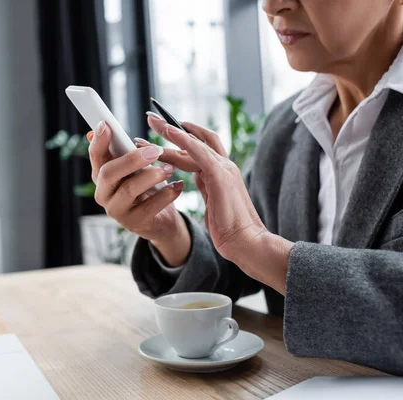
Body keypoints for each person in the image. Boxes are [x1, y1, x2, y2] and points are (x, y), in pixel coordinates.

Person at [87, 0, 403, 375]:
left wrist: (255, 245)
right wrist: (170, 234)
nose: (271, 5)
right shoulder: (287, 127)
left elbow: (260, 251)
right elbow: (241, 266)